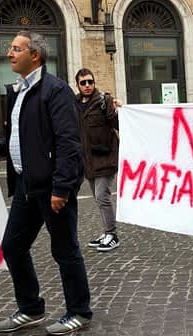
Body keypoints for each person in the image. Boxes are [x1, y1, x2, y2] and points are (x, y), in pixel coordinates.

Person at [0, 31, 92, 335]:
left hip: (52, 188)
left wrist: (62, 187)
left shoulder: (55, 91)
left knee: (65, 250)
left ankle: (79, 312)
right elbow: (22, 133)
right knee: (13, 246)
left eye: (17, 49)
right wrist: (0, 146)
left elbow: (68, 142)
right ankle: (30, 308)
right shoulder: (18, 91)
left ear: (36, 55)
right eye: (11, 49)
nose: (10, 54)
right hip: (25, 186)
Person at [74, 68, 121, 252]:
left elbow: (118, 124)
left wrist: (120, 110)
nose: (87, 86)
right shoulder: (74, 104)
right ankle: (106, 232)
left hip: (107, 158)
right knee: (97, 197)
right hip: (88, 160)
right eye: (83, 83)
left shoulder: (104, 101)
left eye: (90, 82)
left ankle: (112, 234)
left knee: (103, 195)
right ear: (77, 85)